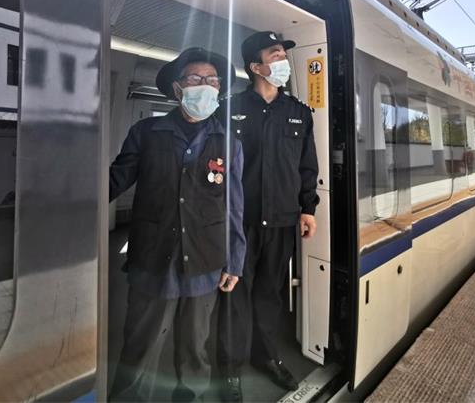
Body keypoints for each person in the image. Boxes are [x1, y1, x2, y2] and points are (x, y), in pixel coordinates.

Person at [108, 47, 246, 402]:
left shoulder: (228, 142)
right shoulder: (146, 132)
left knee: (195, 350)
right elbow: (113, 181)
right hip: (153, 260)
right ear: (177, 88)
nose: (206, 85)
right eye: (196, 78)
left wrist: (235, 259)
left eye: (212, 80)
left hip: (205, 260)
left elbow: (234, 205)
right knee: (140, 348)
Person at [217, 31, 319, 402]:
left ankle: (267, 357)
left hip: (282, 221)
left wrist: (308, 208)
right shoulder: (229, 109)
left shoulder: (299, 112)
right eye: (275, 55)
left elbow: (307, 165)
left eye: (283, 55)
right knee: (234, 296)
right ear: (256, 67)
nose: (283, 61)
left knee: (270, 295)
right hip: (239, 222)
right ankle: (229, 370)